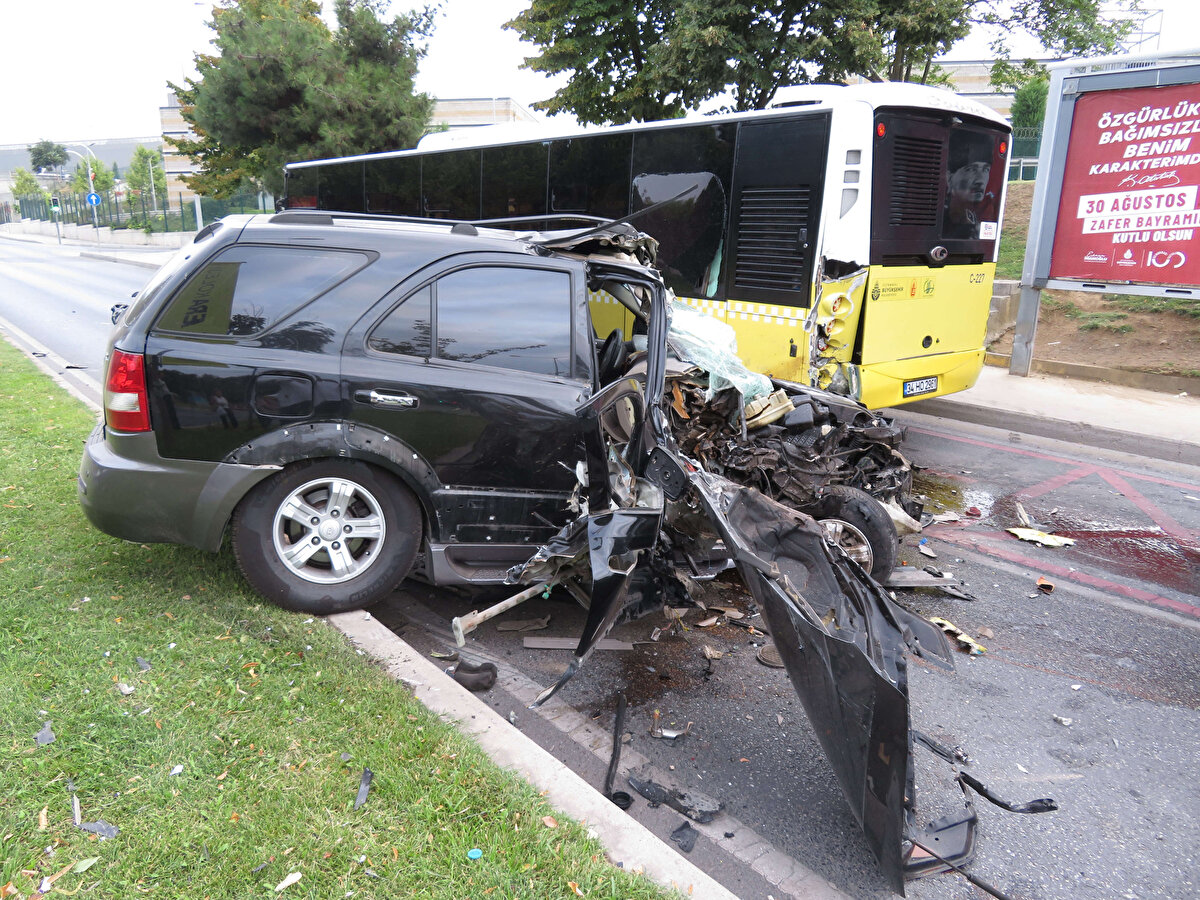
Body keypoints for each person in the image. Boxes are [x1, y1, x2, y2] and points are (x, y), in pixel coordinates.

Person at [944, 134, 993, 239]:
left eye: (986, 169)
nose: (980, 180)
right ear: (949, 178)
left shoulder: (975, 220)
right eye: (971, 169)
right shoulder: (939, 219)